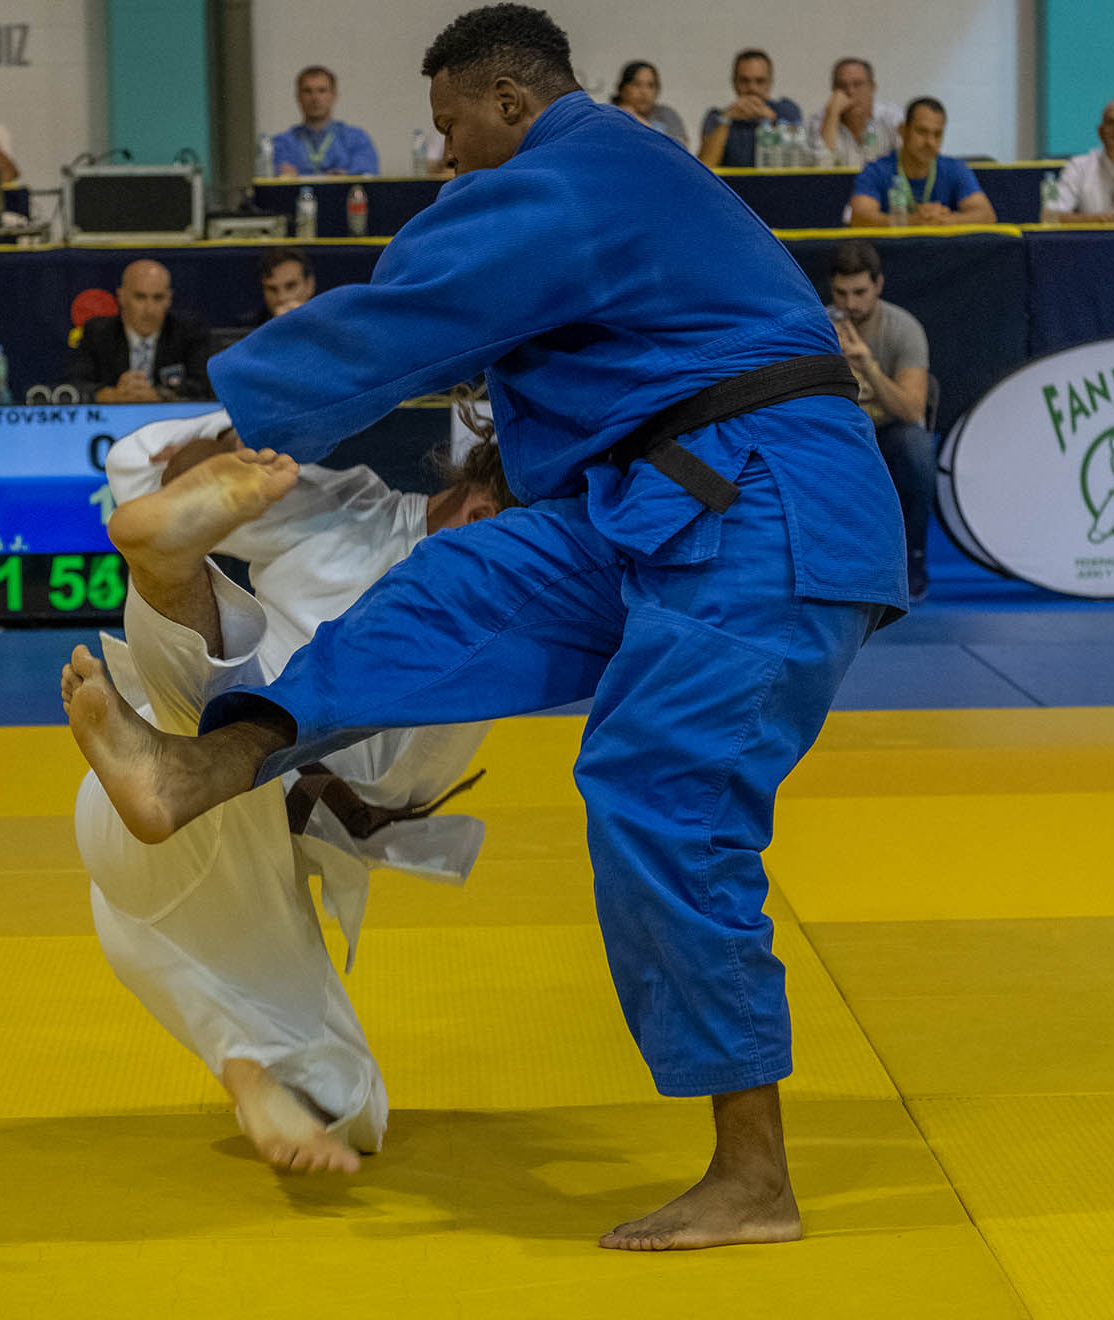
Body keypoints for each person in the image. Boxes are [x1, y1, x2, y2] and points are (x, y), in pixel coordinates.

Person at [60, 2, 905, 1252]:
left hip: (771, 505)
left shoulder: (587, 165)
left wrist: (237, 426)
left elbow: (414, 309)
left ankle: (754, 1177)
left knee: (657, 791)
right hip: (650, 500)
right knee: (452, 585)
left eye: (453, 126)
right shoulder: (592, 199)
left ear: (513, 100)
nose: (445, 153)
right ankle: (202, 767)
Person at [69, 406, 508, 1172]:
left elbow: (139, 466)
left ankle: (251, 1081)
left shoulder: (348, 507)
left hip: (147, 828)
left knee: (351, 1105)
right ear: (482, 516)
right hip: (224, 788)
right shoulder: (496, 605)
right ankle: (171, 580)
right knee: (243, 735)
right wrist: (243, 433)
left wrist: (229, 436)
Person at [827, 240, 932, 600]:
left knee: (916, 446)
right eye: (841, 293)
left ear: (879, 285)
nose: (850, 304)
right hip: (840, 434)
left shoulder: (903, 329)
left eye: (860, 293)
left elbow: (913, 410)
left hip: (888, 434)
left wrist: (866, 366)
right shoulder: (819, 329)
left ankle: (912, 560)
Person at [64, 259, 213, 402]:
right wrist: (111, 395)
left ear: (169, 299)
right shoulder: (98, 332)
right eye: (140, 297)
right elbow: (73, 385)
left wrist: (160, 396)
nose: (149, 309)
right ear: (121, 297)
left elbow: (205, 387)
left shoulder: (189, 332)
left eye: (158, 298)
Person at [847, 97, 995, 227]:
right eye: (922, 131)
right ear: (903, 130)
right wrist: (911, 221)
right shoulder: (875, 171)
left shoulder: (955, 169)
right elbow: (859, 218)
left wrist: (944, 220)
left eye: (937, 134)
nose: (930, 142)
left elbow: (986, 215)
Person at [698, 49, 804, 168]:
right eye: (744, 81)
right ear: (734, 82)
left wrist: (771, 120)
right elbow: (705, 167)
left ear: (770, 83)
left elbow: (795, 161)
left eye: (760, 81)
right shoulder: (716, 117)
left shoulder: (786, 111)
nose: (752, 88)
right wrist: (725, 121)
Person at [273, 66, 381, 176]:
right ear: (298, 96)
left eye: (322, 90)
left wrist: (345, 176)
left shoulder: (356, 139)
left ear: (334, 95)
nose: (315, 98)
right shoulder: (281, 144)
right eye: (307, 91)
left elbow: (368, 171)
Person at [820, 57, 903, 168]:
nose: (850, 91)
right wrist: (832, 114)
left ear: (872, 88)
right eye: (842, 86)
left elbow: (911, 163)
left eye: (858, 84)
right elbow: (820, 168)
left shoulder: (892, 117)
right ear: (834, 91)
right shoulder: (820, 121)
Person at [610, 61, 685, 147]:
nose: (644, 92)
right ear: (622, 89)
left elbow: (680, 149)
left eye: (650, 85)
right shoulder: (611, 116)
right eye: (637, 84)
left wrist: (636, 118)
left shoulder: (667, 114)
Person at [259, 247, 318, 319]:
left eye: (290, 286)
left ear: (310, 285)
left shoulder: (328, 321)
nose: (282, 298)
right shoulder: (249, 324)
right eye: (272, 289)